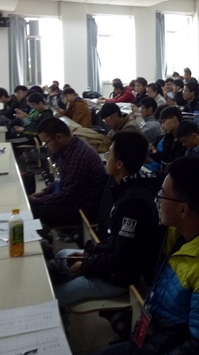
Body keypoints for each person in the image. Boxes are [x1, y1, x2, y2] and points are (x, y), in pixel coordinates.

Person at [81, 156, 199, 355]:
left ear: (183, 209)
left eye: (163, 195)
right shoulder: (178, 234)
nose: (158, 200)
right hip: (153, 342)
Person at [51, 131, 163, 307]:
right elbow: (117, 240)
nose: (106, 159)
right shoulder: (128, 186)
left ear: (119, 164)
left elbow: (122, 259)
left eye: (109, 155)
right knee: (62, 255)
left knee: (51, 296)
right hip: (112, 264)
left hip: (118, 279)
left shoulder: (134, 202)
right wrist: (90, 253)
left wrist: (85, 266)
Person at [31, 117, 107, 227]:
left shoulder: (78, 157)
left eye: (46, 142)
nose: (45, 146)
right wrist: (44, 192)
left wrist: (37, 201)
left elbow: (67, 196)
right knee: (34, 207)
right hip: (74, 202)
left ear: (59, 137)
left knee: (33, 213)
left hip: (82, 211)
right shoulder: (70, 148)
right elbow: (63, 181)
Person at [149, 106, 186, 171]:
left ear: (174, 119)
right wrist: (154, 153)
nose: (162, 126)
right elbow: (165, 160)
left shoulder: (186, 139)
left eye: (163, 122)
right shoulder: (168, 137)